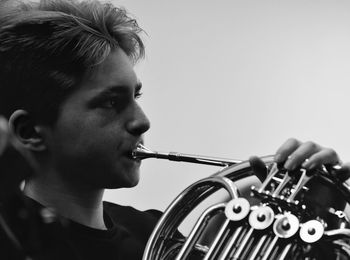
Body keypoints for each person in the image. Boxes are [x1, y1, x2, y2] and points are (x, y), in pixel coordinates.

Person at [0, 0, 348, 259]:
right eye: (111, 102)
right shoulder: (15, 242)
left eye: (136, 96)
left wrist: (305, 232)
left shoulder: (160, 236)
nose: (142, 120)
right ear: (30, 131)